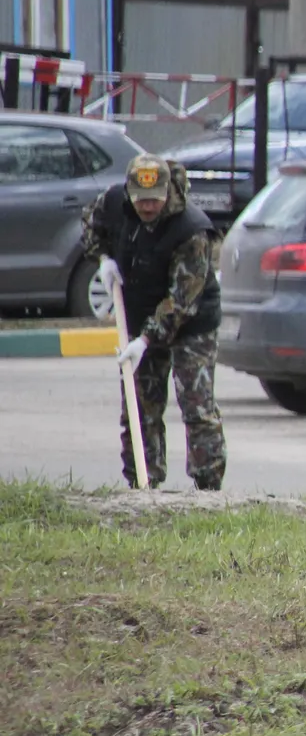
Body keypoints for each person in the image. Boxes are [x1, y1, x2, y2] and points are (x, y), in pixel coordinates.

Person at [83, 154, 227, 491]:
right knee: (140, 405)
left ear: (168, 193)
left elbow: (181, 301)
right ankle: (143, 482)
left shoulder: (192, 230)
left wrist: (145, 341)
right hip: (139, 309)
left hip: (192, 321)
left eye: (155, 200)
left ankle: (208, 487)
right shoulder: (114, 202)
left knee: (197, 403)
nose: (147, 207)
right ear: (130, 193)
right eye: (141, 200)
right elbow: (91, 225)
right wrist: (102, 258)